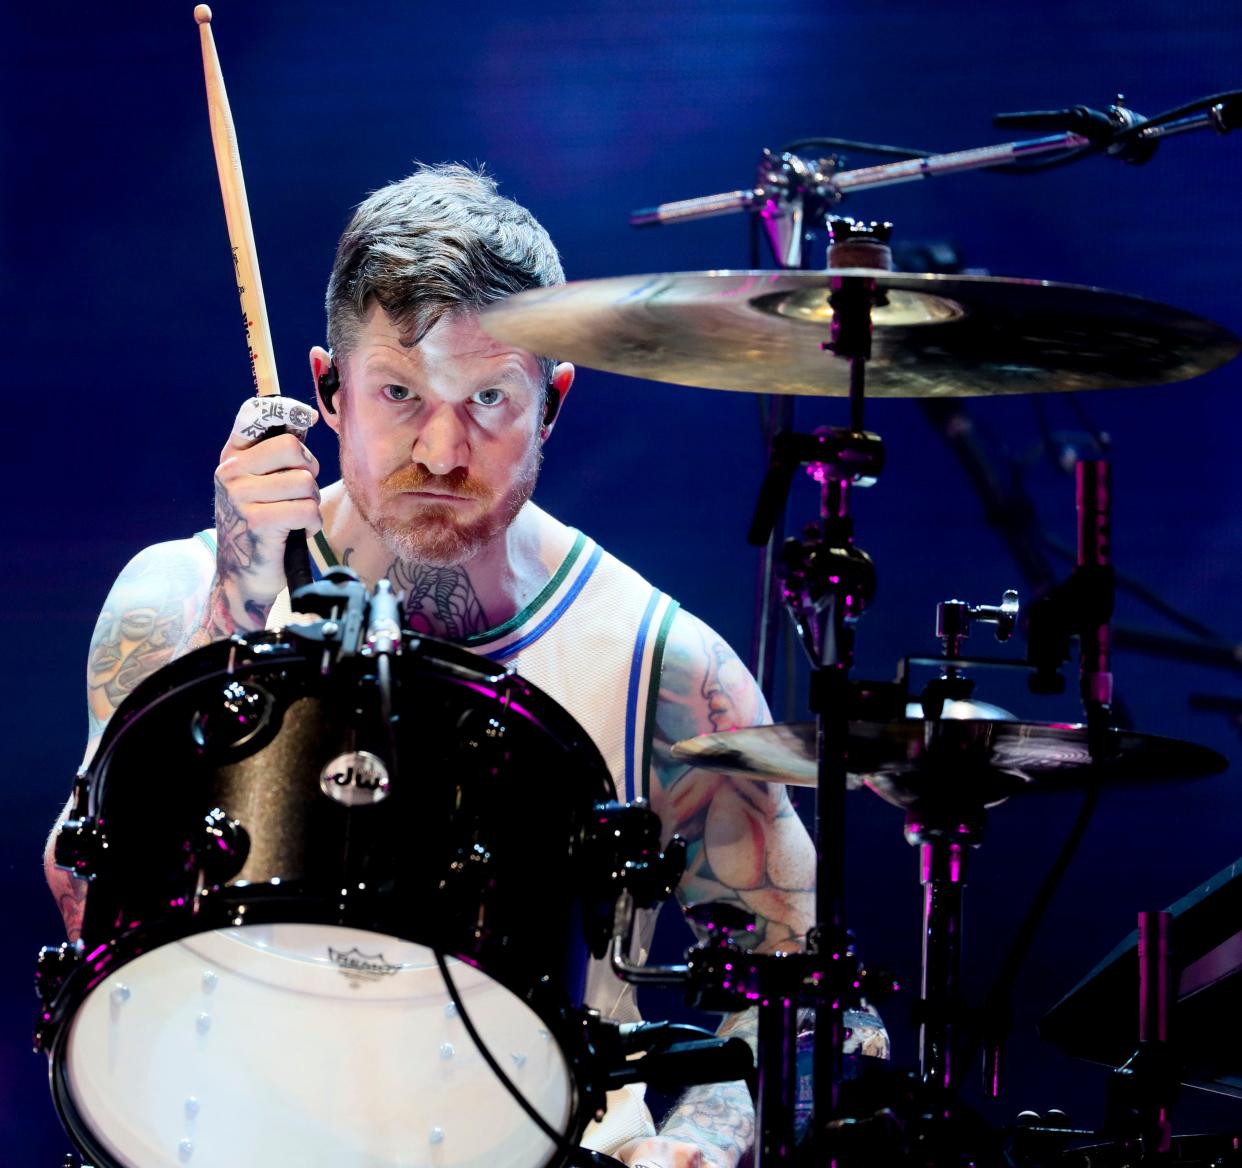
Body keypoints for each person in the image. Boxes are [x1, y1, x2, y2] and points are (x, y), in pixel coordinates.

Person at [46, 163, 884, 1167]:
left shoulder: (664, 664)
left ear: (553, 402)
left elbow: (814, 1007)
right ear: (327, 390)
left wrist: (701, 1143)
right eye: (399, 392)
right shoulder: (171, 599)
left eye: (489, 396)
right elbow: (90, 903)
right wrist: (243, 607)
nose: (442, 449)